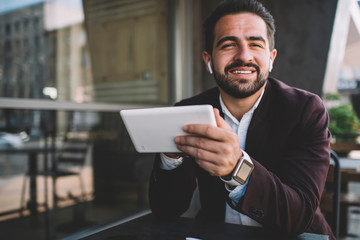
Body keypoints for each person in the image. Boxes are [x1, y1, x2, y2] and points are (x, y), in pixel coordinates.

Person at [149, 0, 334, 239]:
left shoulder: (306, 110)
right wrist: (171, 158)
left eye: (255, 44)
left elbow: (298, 216)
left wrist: (237, 169)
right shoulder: (188, 111)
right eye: (228, 45)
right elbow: (166, 210)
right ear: (208, 60)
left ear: (271, 57)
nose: (243, 56)